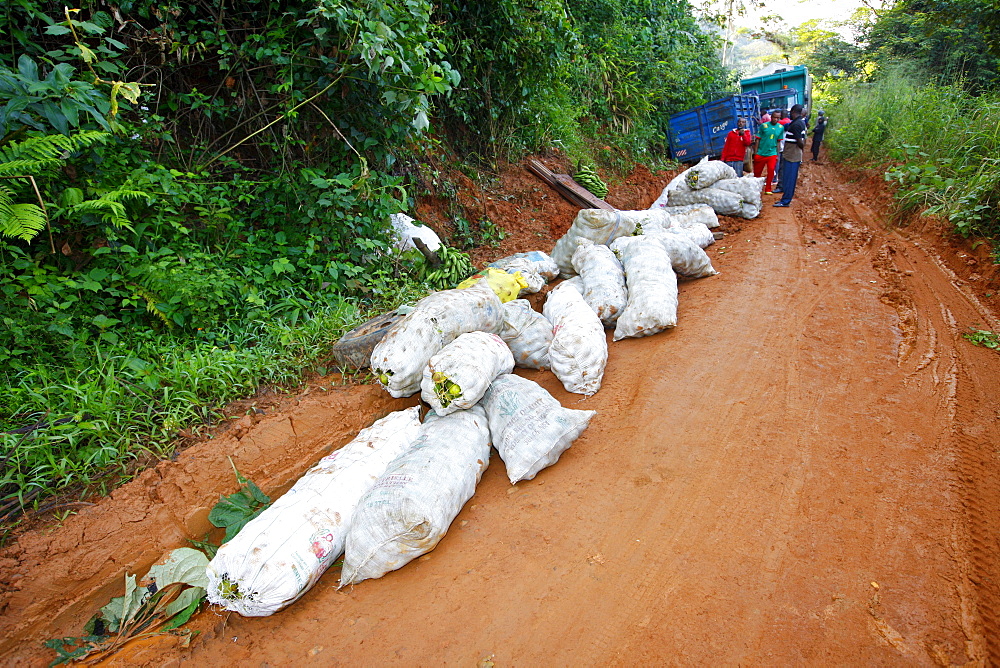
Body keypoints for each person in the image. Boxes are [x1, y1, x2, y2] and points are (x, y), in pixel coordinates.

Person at [774, 103, 807, 207]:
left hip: (792, 155)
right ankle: (785, 198)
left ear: (793, 112)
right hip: (791, 154)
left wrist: (801, 148)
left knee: (789, 178)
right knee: (788, 177)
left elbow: (801, 142)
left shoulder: (797, 124)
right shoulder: (797, 122)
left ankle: (786, 201)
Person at [753, 113, 783, 194]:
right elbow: (758, 139)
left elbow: (778, 142)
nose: (776, 119)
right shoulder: (764, 126)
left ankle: (768, 189)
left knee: (771, 169)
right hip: (761, 152)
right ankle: (755, 188)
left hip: (772, 153)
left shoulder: (780, 128)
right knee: (757, 172)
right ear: (771, 117)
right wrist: (755, 153)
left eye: (778, 118)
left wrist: (777, 154)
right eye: (774, 117)